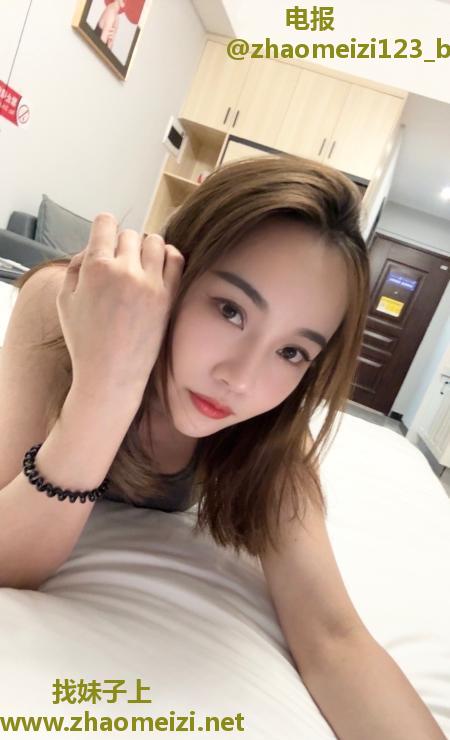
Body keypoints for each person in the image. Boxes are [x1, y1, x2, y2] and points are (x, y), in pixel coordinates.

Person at [0, 155, 445, 739]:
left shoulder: (269, 430)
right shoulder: (61, 308)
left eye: (292, 352)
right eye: (231, 310)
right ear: (176, 271)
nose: (241, 379)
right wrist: (109, 385)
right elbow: (8, 565)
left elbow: (334, 639)